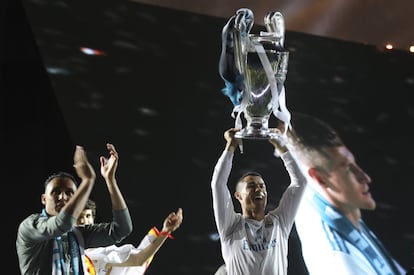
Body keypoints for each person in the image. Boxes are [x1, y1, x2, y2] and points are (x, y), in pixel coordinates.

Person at [286, 113, 407, 274]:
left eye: (354, 163)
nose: (365, 178)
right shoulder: (342, 263)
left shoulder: (309, 194)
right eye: (348, 169)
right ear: (320, 178)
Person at [16, 143, 133, 275]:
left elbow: (122, 229)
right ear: (44, 199)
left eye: (69, 193)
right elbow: (61, 224)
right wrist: (88, 180)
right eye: (56, 191)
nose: (62, 197)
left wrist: (110, 180)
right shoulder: (30, 227)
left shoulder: (77, 235)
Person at [210, 127, 307, 274]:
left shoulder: (279, 222)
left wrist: (281, 146)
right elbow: (218, 184)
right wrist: (230, 146)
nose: (259, 189)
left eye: (262, 186)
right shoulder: (231, 226)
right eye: (251, 186)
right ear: (238, 196)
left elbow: (300, 182)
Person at [78, 199, 183, 275]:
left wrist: (165, 231)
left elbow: (138, 259)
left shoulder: (100, 253)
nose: (84, 221)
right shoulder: (63, 246)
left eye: (88, 216)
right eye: (79, 216)